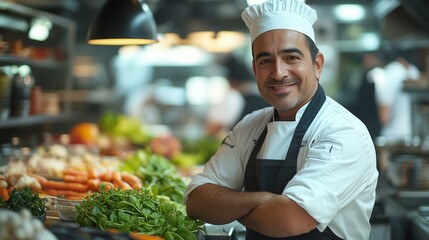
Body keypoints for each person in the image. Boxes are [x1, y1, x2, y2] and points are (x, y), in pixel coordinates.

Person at [185, 0, 379, 239]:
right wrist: (265, 201)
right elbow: (196, 199)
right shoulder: (249, 127)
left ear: (317, 65)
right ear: (255, 69)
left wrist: (229, 207)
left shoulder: (342, 132)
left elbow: (290, 219)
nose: (278, 73)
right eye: (266, 61)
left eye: (292, 57)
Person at [205, 55, 270, 137]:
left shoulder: (233, 97)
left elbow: (213, 127)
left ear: (231, 80)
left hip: (240, 146)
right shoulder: (266, 96)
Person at [376, 54, 421, 143]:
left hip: (394, 137)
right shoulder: (414, 71)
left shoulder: (391, 72)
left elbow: (384, 116)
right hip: (415, 136)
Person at [354, 52, 388, 140]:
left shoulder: (377, 75)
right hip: (366, 121)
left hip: (372, 123)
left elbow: (383, 109)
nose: (364, 62)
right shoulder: (370, 75)